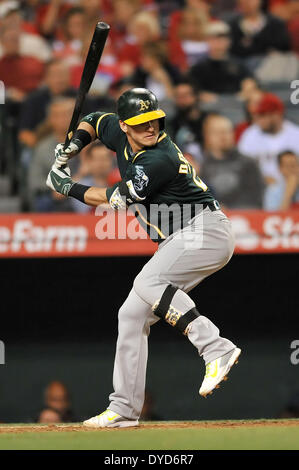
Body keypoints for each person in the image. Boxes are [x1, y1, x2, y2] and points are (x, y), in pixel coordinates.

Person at [46, 87, 241, 428]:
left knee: (148, 282)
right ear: (124, 126)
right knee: (132, 315)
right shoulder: (117, 131)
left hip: (205, 230)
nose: (150, 128)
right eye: (140, 123)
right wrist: (77, 143)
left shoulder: (158, 158)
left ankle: (215, 348)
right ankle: (123, 409)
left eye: (154, 120)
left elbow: (114, 199)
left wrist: (66, 186)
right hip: (178, 239)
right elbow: (94, 120)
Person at [201, 114, 264, 209]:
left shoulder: (248, 163)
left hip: (243, 219)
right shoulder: (202, 167)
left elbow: (256, 199)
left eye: (226, 132)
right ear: (207, 137)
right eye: (217, 132)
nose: (223, 137)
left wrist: (229, 209)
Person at [238, 93, 299, 184]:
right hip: (258, 189)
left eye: (263, 115)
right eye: (258, 115)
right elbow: (240, 167)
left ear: (277, 114)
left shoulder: (295, 135)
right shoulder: (249, 135)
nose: (259, 120)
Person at [28, 97, 76, 212]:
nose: (63, 119)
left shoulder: (88, 141)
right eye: (58, 115)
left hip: (83, 191)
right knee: (43, 201)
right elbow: (35, 180)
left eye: (67, 114)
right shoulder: (42, 148)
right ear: (50, 119)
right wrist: (57, 189)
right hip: (53, 195)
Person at [189, 21, 254, 103]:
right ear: (207, 40)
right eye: (213, 39)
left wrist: (246, 91)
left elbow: (249, 82)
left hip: (235, 103)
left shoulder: (239, 64)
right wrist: (202, 95)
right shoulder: (198, 68)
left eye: (222, 39)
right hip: (209, 107)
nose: (218, 42)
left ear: (229, 41)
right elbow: (193, 89)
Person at [229, 0, 291, 64]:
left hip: (269, 65)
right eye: (244, 1)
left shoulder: (275, 23)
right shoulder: (232, 24)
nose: (247, 3)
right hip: (240, 65)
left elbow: (284, 47)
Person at [167, 81, 207, 160]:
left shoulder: (208, 121)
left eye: (185, 95)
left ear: (195, 96)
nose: (181, 100)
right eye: (178, 96)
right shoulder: (172, 124)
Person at [70, 142, 114, 213]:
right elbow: (84, 213)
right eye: (98, 159)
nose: (101, 163)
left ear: (111, 161)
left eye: (105, 159)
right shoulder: (81, 186)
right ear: (89, 161)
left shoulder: (119, 183)